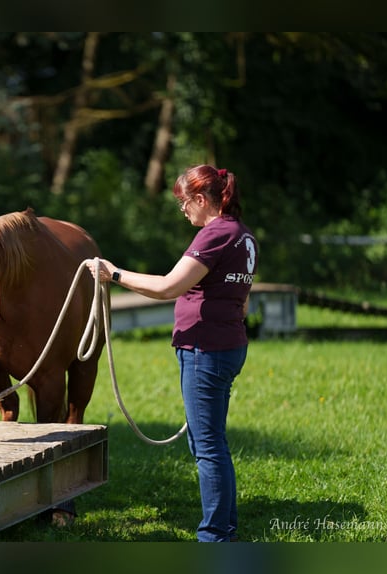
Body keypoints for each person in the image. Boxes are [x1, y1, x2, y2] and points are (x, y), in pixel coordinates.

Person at [87, 164, 258, 542]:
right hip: (226, 345)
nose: (183, 211)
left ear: (201, 199)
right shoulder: (243, 236)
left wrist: (114, 274)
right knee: (211, 441)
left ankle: (214, 537)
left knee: (208, 446)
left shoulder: (215, 234)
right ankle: (224, 528)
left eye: (184, 203)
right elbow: (240, 299)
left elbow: (167, 287)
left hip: (205, 351)